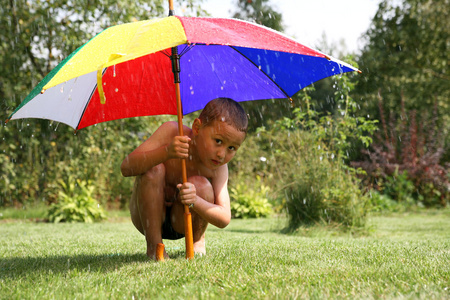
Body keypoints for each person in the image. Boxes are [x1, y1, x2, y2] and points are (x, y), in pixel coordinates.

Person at [120, 98, 248, 260]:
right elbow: (126, 167)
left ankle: (197, 239)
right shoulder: (172, 132)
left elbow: (224, 218)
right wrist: (166, 152)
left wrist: (195, 200)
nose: (222, 154)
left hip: (183, 222)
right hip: (146, 218)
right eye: (218, 141)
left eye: (231, 148)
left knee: (200, 185)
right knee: (153, 168)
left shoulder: (218, 167)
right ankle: (154, 246)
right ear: (197, 127)